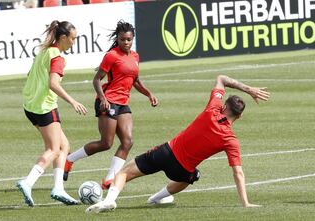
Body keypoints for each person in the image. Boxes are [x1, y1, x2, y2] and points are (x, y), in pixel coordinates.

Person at [86, 75, 270, 213]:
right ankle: (157, 198)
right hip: (181, 170)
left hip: (165, 152)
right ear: (240, 116)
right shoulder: (230, 140)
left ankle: (110, 200)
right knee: (193, 176)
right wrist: (245, 203)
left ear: (223, 107)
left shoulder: (212, 109)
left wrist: (248, 89)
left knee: (124, 172)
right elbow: (238, 172)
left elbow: (221, 78)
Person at [63, 20, 158, 189]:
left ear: (132, 38)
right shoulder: (111, 56)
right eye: (122, 39)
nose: (126, 43)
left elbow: (135, 80)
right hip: (108, 101)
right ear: (118, 39)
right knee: (106, 143)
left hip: (123, 103)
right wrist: (103, 99)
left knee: (128, 142)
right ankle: (69, 160)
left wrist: (149, 94)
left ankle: (109, 179)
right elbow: (97, 79)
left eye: (128, 39)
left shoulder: (135, 56)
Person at [16, 20, 88, 207]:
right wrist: (73, 101)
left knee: (64, 146)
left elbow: (29, 75)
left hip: (30, 106)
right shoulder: (57, 57)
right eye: (73, 38)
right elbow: (53, 84)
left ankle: (58, 189)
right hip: (45, 108)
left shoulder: (44, 51)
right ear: (63, 37)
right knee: (54, 149)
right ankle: (28, 182)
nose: (74, 42)